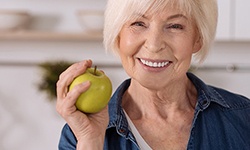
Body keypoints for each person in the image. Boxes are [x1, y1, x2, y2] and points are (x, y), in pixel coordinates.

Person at [56, 0, 250, 149]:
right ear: (118, 35)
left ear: (197, 39)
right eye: (139, 23)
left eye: (175, 26)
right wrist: (91, 142)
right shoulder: (79, 135)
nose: (154, 44)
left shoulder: (243, 117)